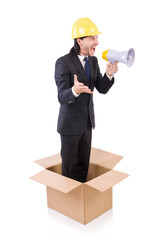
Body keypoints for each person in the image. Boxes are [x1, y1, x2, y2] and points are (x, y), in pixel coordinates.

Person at [55, 17, 118, 182]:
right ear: (79, 41)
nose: (96, 42)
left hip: (87, 124)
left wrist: (109, 75)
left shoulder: (93, 60)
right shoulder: (63, 62)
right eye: (92, 38)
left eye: (97, 38)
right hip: (69, 126)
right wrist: (74, 91)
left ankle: (81, 202)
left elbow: (101, 88)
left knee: (83, 167)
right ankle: (68, 204)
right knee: (69, 171)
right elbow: (62, 96)